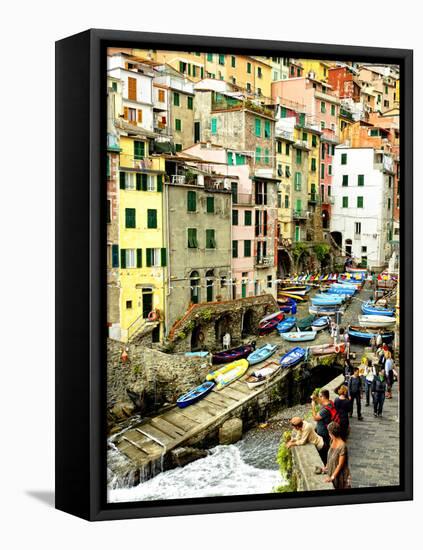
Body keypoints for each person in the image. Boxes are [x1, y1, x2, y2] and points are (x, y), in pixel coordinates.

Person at [311, 389, 338, 465]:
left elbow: (315, 418)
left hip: (324, 432)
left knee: (324, 451)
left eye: (320, 397)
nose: (319, 398)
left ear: (323, 397)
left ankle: (327, 464)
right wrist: (315, 398)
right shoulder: (330, 403)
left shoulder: (324, 411)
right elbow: (321, 401)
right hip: (328, 430)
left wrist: (313, 406)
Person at [324, 422, 351, 489]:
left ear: (331, 434)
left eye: (329, 432)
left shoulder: (342, 446)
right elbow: (330, 456)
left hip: (340, 475)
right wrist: (326, 466)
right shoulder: (331, 441)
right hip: (331, 470)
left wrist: (332, 477)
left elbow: (340, 465)